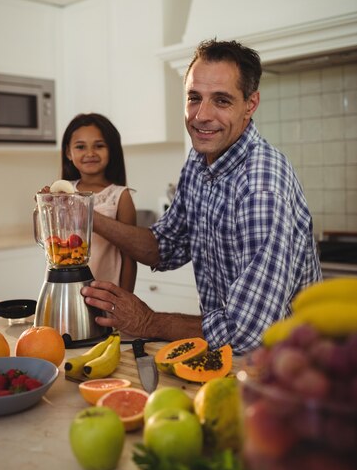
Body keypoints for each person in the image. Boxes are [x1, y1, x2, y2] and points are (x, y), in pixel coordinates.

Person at [82, 40, 322, 354]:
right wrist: (88, 217)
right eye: (194, 98)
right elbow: (165, 245)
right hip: (229, 358)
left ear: (250, 104)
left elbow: (249, 331)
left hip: (288, 367)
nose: (201, 115)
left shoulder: (261, 184)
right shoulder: (199, 164)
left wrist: (150, 321)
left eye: (221, 101)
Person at [43, 113, 137, 292]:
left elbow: (129, 258)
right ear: (68, 153)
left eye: (99, 146)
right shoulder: (61, 193)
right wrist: (44, 207)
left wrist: (124, 301)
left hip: (105, 293)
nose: (90, 153)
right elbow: (48, 237)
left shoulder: (120, 196)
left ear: (112, 150)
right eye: (80, 147)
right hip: (63, 288)